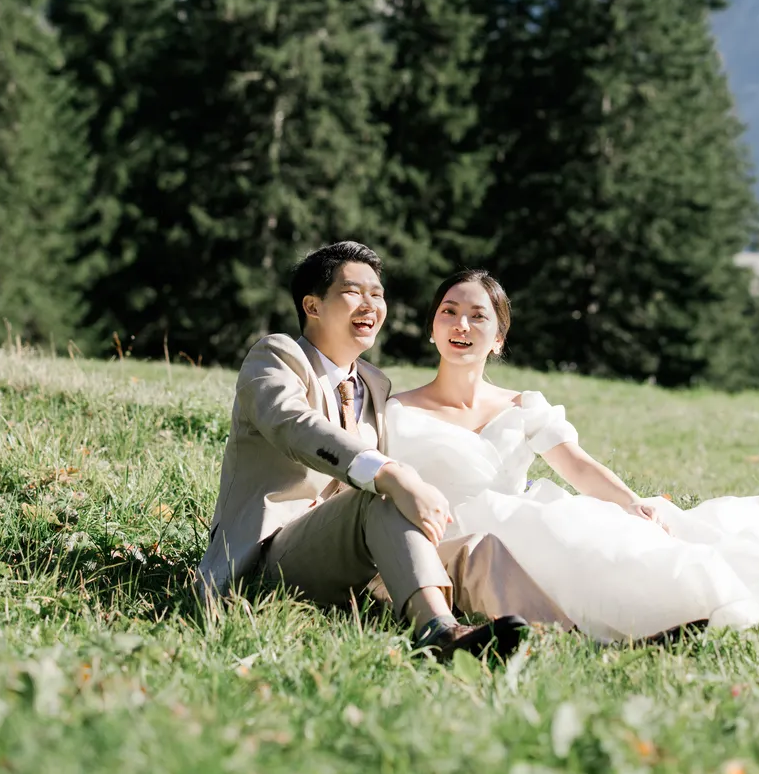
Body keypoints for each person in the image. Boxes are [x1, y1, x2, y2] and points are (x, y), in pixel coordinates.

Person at [387, 268, 759, 646]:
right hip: (457, 539)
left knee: (606, 540)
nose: (461, 324)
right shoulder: (394, 407)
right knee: (563, 555)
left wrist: (633, 502)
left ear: (499, 338)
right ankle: (665, 620)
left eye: (476, 316)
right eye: (448, 312)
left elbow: (578, 467)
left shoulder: (522, 403)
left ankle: (705, 609)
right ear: (433, 328)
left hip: (529, 513)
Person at [195, 242, 564, 662]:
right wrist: (392, 473)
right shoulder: (278, 357)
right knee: (379, 496)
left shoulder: (375, 385)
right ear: (313, 306)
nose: (371, 303)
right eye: (354, 292)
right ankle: (440, 634)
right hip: (271, 557)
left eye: (378, 293)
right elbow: (295, 425)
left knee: (474, 548)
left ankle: (576, 633)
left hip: (358, 558)